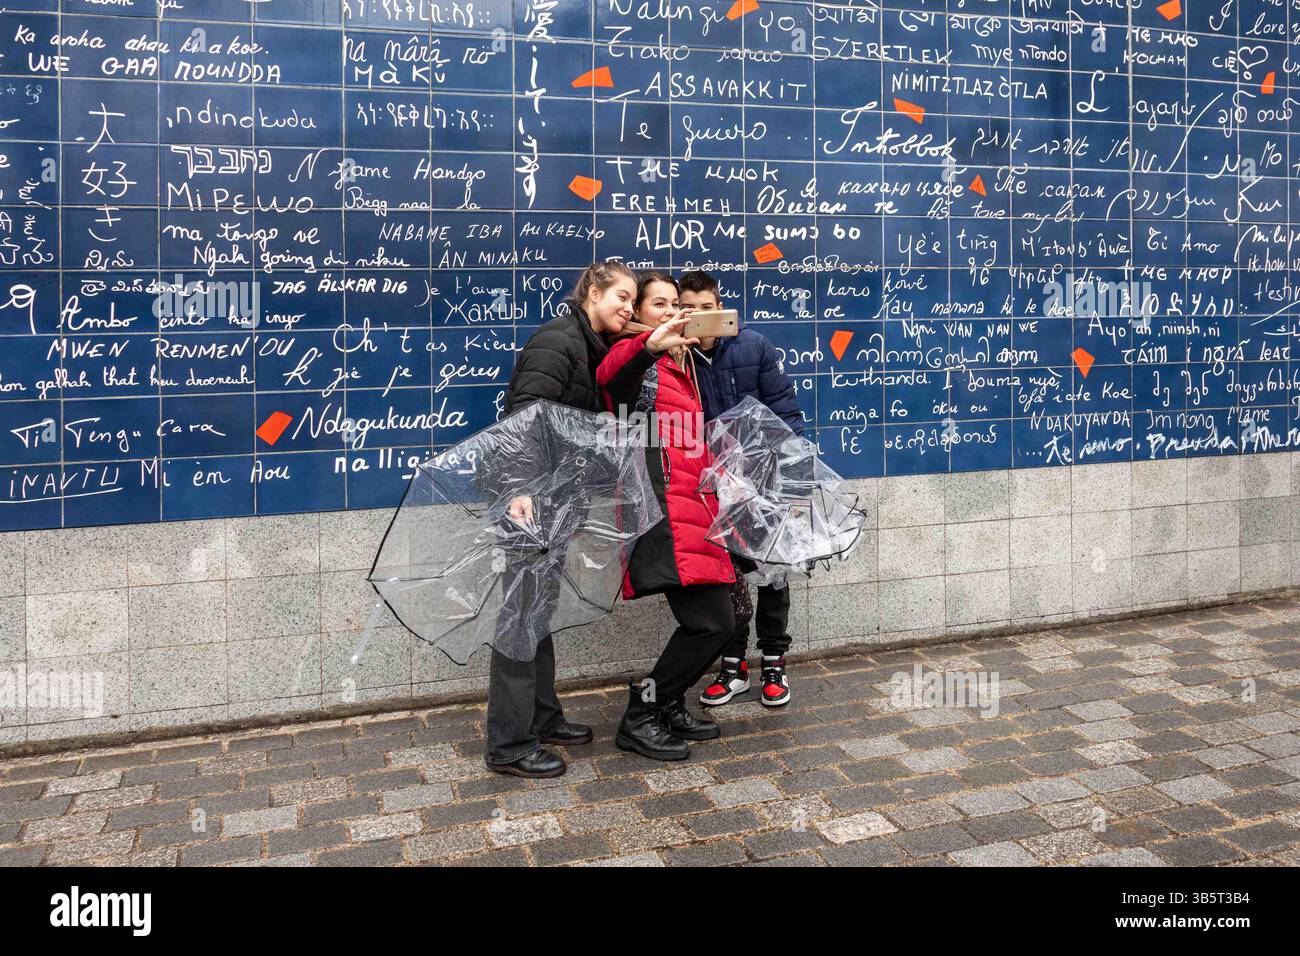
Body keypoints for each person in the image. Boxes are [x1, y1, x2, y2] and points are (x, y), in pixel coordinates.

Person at [485, 260, 638, 778]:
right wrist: (519, 489)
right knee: (520, 618)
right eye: (621, 296)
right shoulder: (558, 341)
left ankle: (543, 717)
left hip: (556, 497)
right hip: (531, 502)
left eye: (633, 301)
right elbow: (523, 414)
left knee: (537, 610)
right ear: (592, 291)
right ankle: (508, 745)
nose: (628, 308)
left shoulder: (589, 345)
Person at [596, 272, 738, 761]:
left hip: (693, 509)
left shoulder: (684, 363)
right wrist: (650, 346)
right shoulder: (632, 354)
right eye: (658, 303)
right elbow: (612, 381)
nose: (670, 310)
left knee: (718, 620)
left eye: (675, 303)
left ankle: (666, 703)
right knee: (712, 624)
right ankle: (641, 713)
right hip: (660, 513)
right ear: (638, 313)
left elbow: (684, 442)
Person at [678, 269, 805, 709]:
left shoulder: (754, 346)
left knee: (772, 575)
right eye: (688, 309)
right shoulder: (676, 355)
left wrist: (793, 482)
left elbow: (785, 409)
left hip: (763, 479)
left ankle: (774, 665)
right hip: (709, 488)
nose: (698, 317)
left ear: (721, 307)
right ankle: (732, 668)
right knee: (725, 577)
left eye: (707, 308)